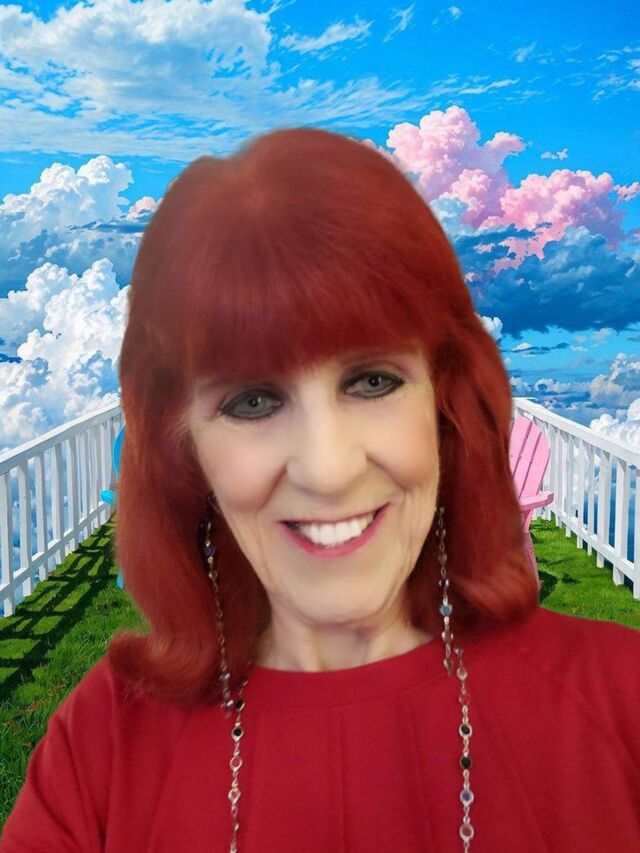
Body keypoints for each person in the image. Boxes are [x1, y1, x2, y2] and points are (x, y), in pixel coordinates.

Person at [1, 127, 639, 853]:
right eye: (252, 402)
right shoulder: (102, 749)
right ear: (186, 451)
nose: (329, 470)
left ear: (447, 406)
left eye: (372, 381)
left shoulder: (619, 701)